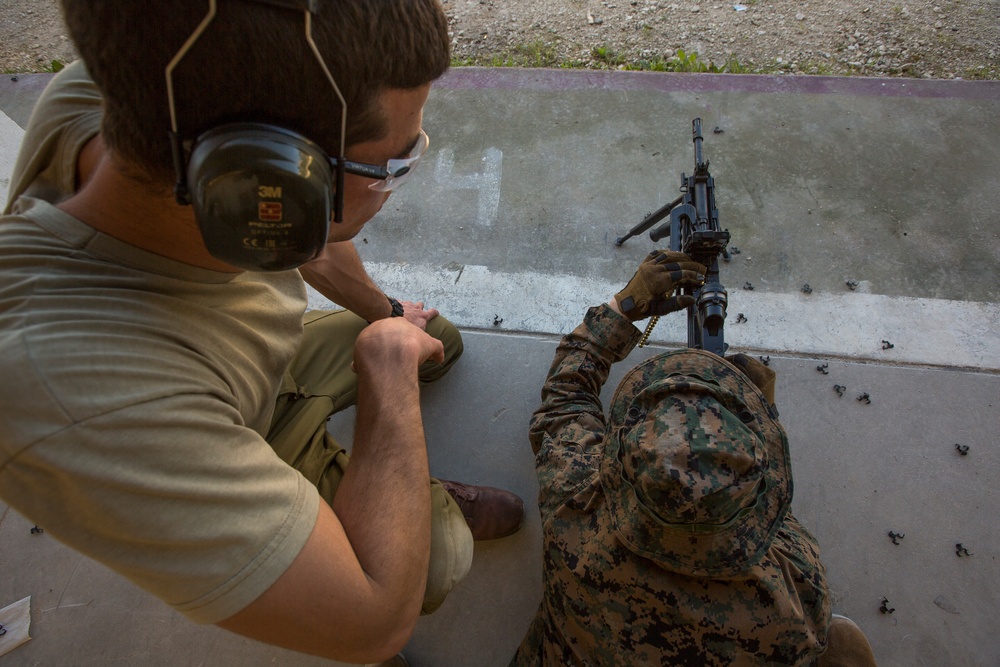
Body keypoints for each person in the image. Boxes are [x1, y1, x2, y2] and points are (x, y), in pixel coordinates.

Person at [0, 1, 523, 664]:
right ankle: (357, 528)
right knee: (430, 559)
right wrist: (386, 369)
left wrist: (385, 313)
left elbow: (312, 243)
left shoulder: (153, 100)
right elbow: (371, 622)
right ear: (273, 186)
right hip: (206, 422)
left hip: (256, 362)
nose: (401, 177)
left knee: (439, 339)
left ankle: (373, 490)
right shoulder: (69, 399)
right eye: (394, 165)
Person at [510, 251, 878, 665]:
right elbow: (777, 516)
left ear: (625, 458)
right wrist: (760, 413)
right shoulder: (793, 597)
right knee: (842, 643)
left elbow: (564, 402)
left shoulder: (572, 512)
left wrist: (624, 306)